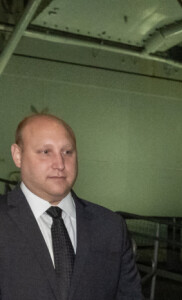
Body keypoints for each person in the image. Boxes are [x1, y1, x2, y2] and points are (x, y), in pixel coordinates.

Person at [0, 114, 143, 300]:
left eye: (67, 152)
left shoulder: (110, 227)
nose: (60, 164)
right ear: (18, 155)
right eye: (45, 152)